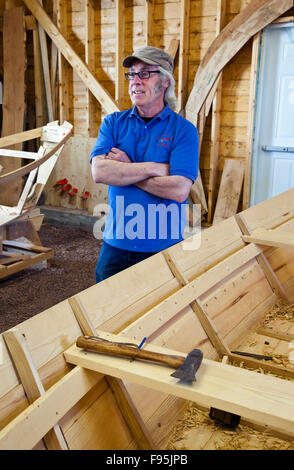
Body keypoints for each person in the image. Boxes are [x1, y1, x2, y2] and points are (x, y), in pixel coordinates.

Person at [90, 46, 199, 283]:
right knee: (105, 315)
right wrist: (154, 167)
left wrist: (127, 167)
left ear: (165, 81)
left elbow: (179, 190)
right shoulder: (113, 124)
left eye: (145, 74)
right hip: (115, 245)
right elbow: (100, 171)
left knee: (161, 316)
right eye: (132, 74)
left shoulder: (183, 131)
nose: (135, 81)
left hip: (163, 248)